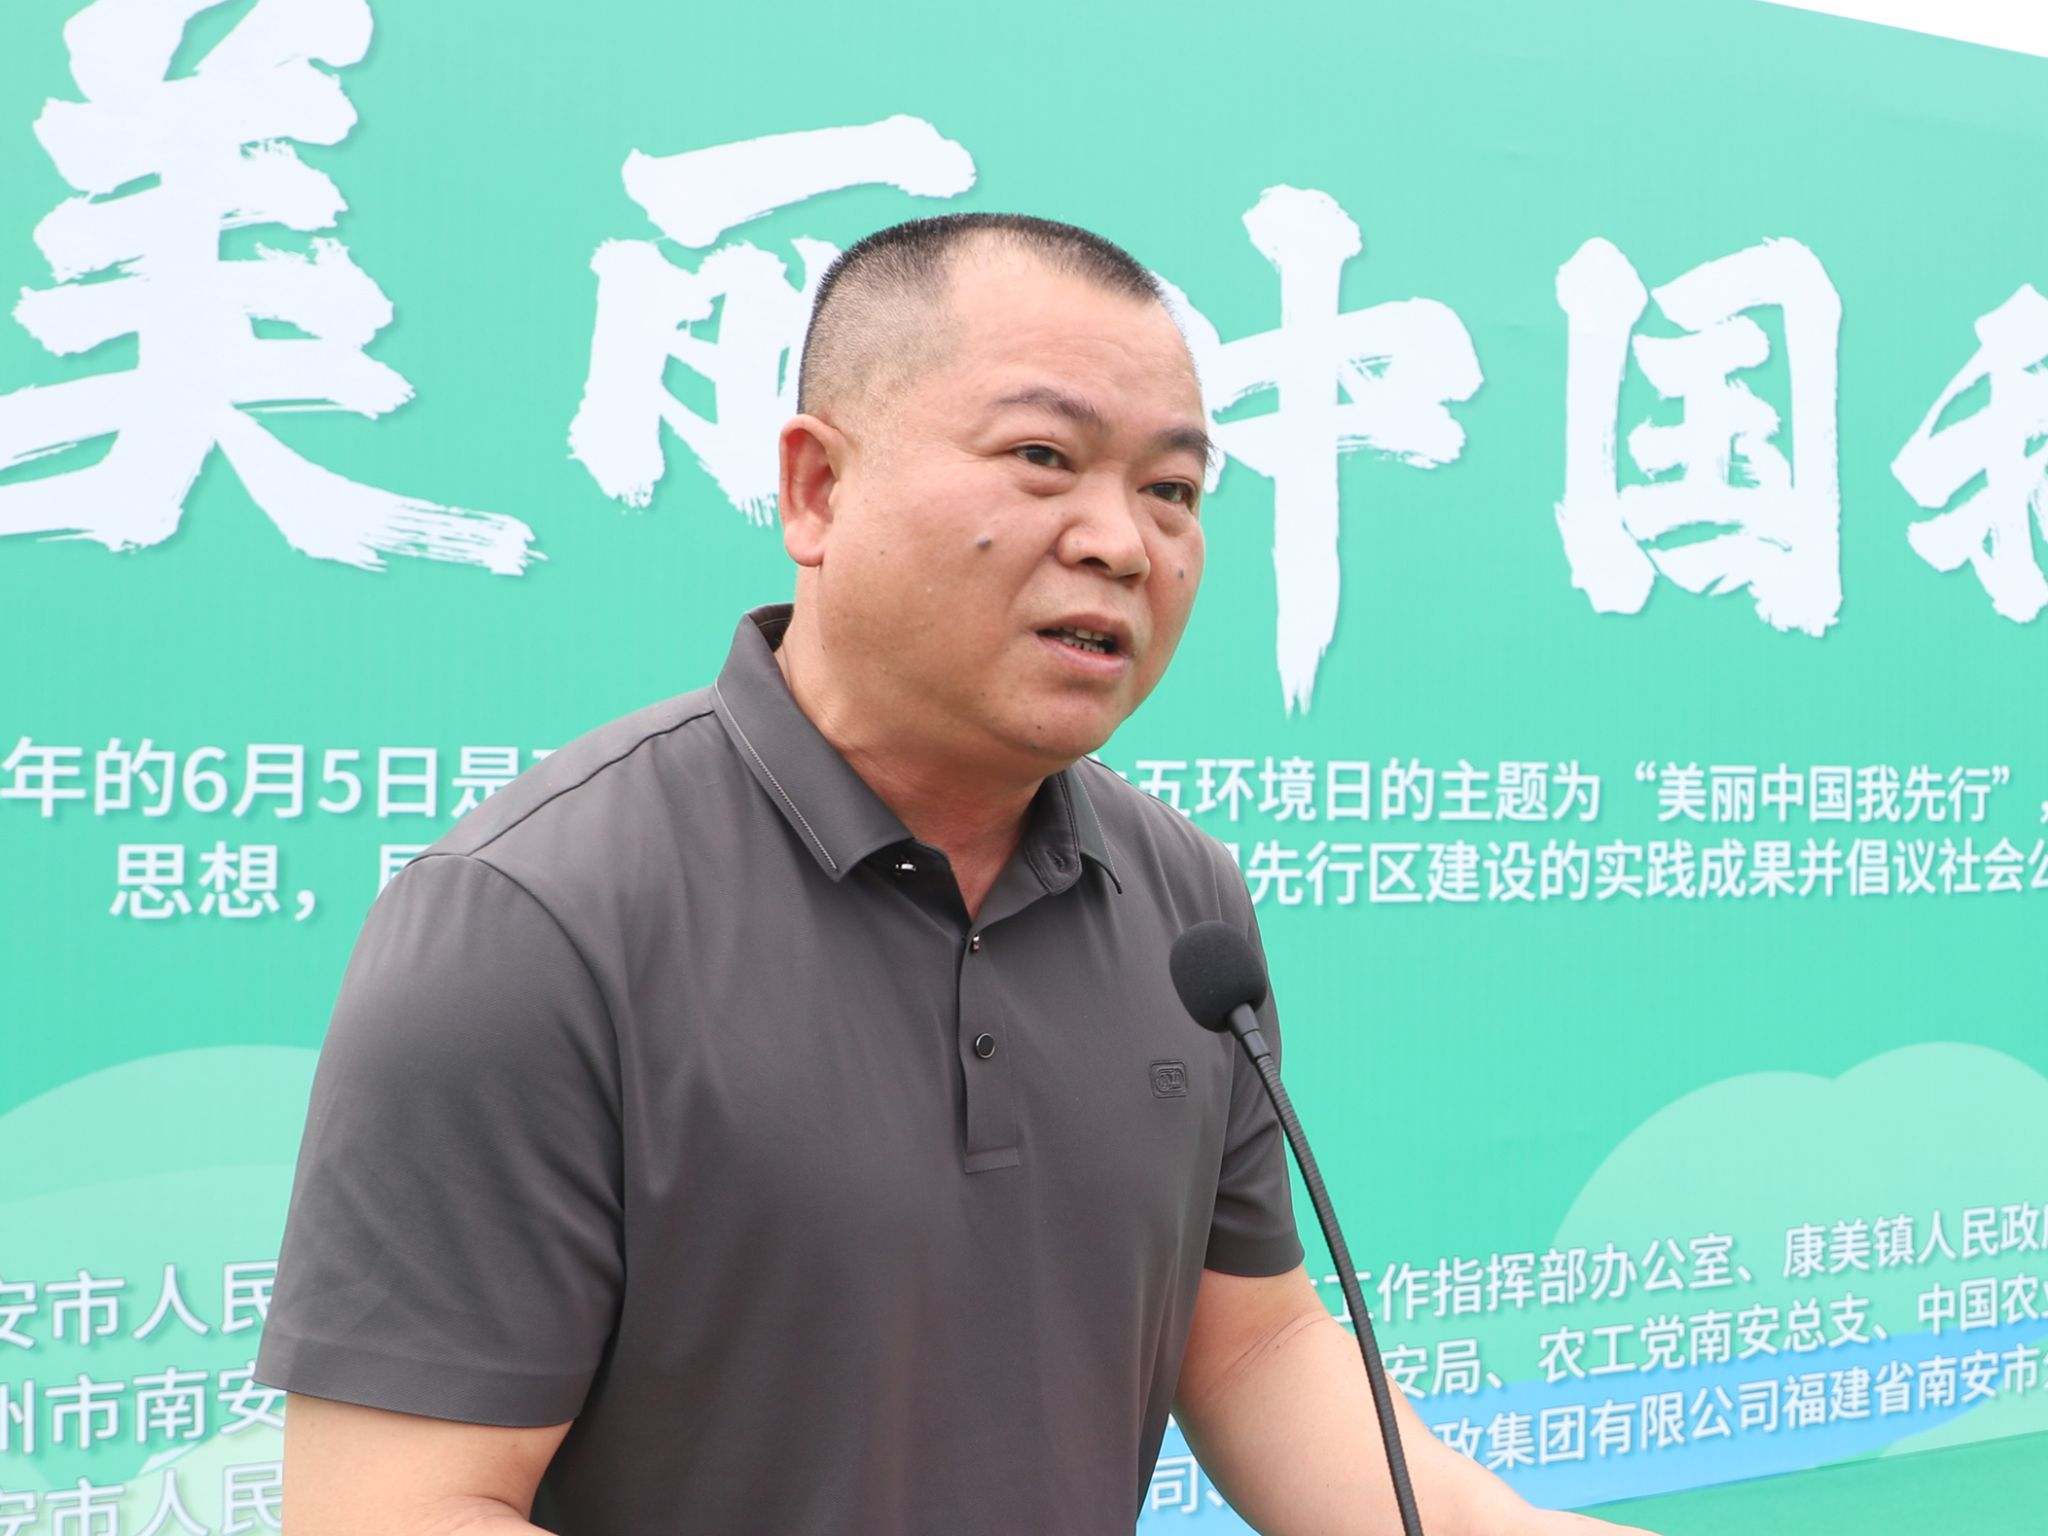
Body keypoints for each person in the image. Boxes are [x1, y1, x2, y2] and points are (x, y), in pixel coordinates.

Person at [258, 213, 1656, 1535]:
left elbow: (1253, 1348)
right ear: (817, 487)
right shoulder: (534, 921)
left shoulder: (1185, 904)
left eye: (1172, 490)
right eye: (1044, 457)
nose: (1122, 542)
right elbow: (393, 1508)